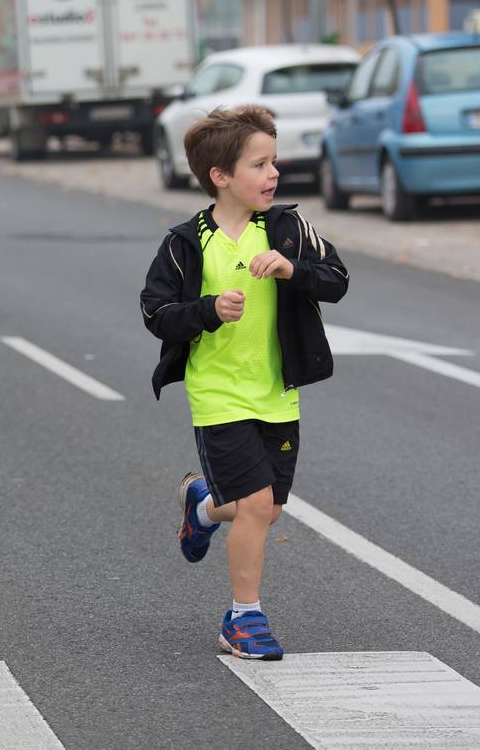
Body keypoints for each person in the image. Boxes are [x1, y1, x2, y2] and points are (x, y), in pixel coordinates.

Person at [138, 106, 347, 661]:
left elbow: (338, 280)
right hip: (218, 395)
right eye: (260, 164)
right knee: (255, 505)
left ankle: (203, 508)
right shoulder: (187, 243)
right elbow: (156, 312)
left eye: (274, 161)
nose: (274, 173)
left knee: (267, 510)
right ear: (221, 177)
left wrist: (291, 270)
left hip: (278, 392)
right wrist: (207, 310)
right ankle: (243, 618)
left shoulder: (286, 229)